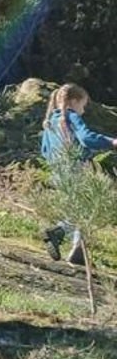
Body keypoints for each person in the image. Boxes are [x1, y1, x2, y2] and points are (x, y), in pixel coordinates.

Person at [40, 83, 117, 263]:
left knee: (78, 207)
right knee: (87, 205)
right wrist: (111, 142)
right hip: (75, 167)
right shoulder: (71, 117)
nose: (83, 111)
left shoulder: (50, 121)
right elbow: (86, 137)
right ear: (74, 102)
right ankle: (59, 233)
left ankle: (78, 250)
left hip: (58, 170)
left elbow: (44, 150)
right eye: (83, 105)